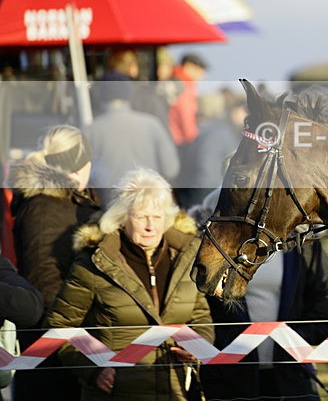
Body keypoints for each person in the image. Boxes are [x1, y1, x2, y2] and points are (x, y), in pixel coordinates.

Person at [44, 168, 213, 400]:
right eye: (141, 216)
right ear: (122, 218)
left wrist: (195, 348)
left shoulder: (185, 257)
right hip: (116, 393)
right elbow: (60, 326)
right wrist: (94, 370)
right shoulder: (95, 263)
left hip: (175, 392)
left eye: (157, 217)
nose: (150, 226)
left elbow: (201, 317)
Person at [199, 191, 328, 401]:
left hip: (291, 378)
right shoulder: (217, 244)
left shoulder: (304, 245)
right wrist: (224, 342)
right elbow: (201, 304)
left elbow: (324, 299)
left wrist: (296, 338)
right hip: (231, 379)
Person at [8, 124, 100, 401]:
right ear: (83, 164)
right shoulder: (44, 207)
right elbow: (45, 282)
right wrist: (70, 341)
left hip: (70, 339)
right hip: (55, 349)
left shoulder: (70, 200)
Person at [85, 79, 180, 206]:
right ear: (130, 95)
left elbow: (87, 174)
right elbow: (171, 168)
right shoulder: (152, 124)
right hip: (148, 204)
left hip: (109, 206)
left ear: (101, 97)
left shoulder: (90, 130)